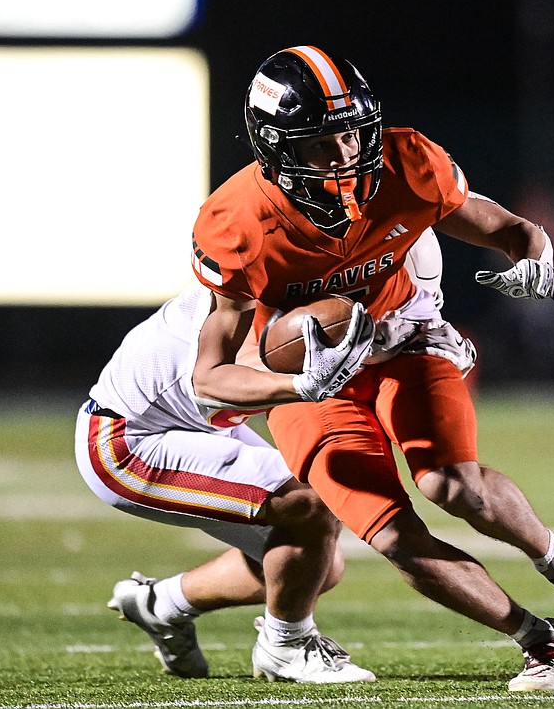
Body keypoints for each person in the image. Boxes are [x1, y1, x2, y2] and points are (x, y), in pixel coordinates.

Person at [186, 44, 554, 691]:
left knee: (453, 485)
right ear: (276, 146)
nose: (344, 155)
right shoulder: (238, 221)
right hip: (313, 375)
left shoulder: (408, 163)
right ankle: (537, 638)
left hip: (405, 339)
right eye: (320, 143)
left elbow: (511, 228)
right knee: (393, 532)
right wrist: (294, 384)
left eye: (350, 134)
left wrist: (533, 259)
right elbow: (211, 376)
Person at [75, 280, 376, 683]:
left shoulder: (290, 293)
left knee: (318, 566)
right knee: (308, 505)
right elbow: (210, 382)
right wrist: (301, 385)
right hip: (128, 441)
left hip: (193, 427)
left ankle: (160, 604)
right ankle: (286, 647)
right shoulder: (237, 292)